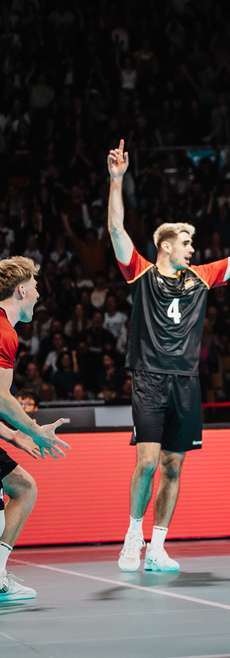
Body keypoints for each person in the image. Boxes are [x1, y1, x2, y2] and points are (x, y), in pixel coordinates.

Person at [107, 140, 230, 573]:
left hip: (185, 379)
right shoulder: (142, 273)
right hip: (148, 375)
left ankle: (158, 545)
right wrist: (116, 180)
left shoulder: (201, 278)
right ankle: (132, 537)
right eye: (185, 242)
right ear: (165, 246)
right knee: (146, 461)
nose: (191, 248)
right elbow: (115, 231)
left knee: (174, 465)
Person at [0, 257, 71, 601]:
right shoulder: (4, 332)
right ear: (21, 290)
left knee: (17, 492)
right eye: (36, 288)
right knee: (23, 489)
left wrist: (14, 435)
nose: (40, 295)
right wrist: (34, 429)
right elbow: (0, 397)